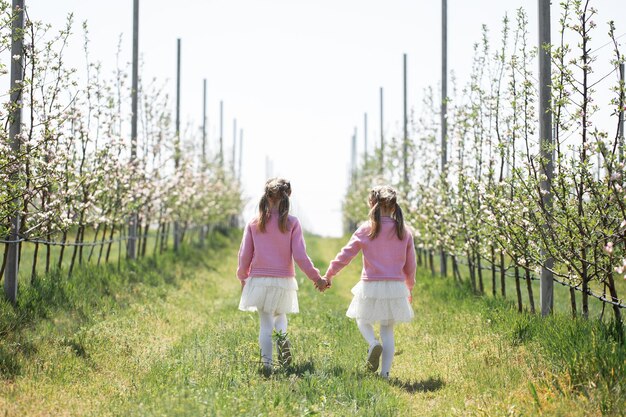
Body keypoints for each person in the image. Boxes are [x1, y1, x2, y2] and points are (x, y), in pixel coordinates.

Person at [322, 185, 416, 379]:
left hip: (371, 284)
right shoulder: (403, 231)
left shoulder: (367, 229)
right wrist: (409, 287)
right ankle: (385, 373)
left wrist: (329, 274)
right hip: (396, 286)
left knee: (362, 319)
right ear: (394, 206)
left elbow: (345, 255)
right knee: (387, 329)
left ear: (371, 204)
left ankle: (373, 343)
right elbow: (411, 264)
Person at [237, 177, 326, 371]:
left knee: (265, 322)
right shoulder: (292, 223)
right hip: (283, 280)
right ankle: (282, 339)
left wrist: (243, 276)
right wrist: (316, 277)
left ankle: (267, 366)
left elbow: (244, 255)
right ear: (288, 196)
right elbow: (301, 256)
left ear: (266, 196)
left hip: (259, 279)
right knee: (280, 316)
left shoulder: (254, 223)